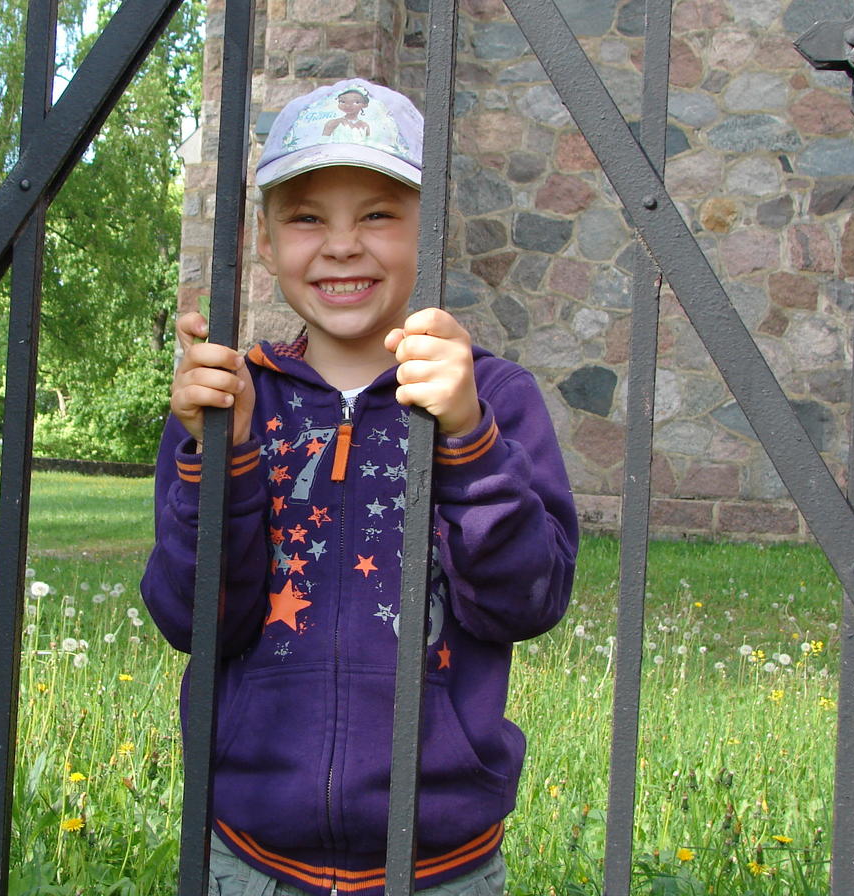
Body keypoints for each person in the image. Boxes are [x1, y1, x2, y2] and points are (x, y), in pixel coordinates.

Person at [141, 78, 578, 896]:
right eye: (307, 218)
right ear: (264, 240)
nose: (342, 246)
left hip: (442, 864)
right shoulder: (232, 400)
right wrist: (222, 457)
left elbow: (528, 600)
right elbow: (191, 617)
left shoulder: (494, 398)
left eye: (377, 214)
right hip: (250, 857)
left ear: (429, 229)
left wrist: (467, 437)